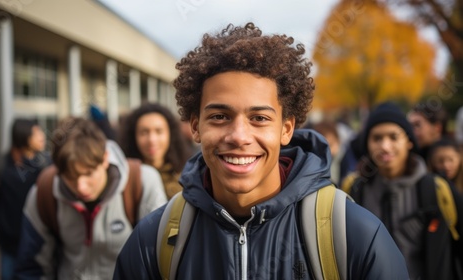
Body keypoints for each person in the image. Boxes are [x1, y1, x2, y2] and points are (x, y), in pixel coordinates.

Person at [113, 22, 408, 279]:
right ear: (195, 127)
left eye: (259, 118)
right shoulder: (153, 241)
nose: (239, 136)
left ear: (286, 129)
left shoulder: (353, 235)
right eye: (219, 116)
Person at [14, 117, 167, 279]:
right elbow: (31, 268)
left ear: (105, 159)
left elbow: (160, 263)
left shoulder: (143, 182)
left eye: (88, 173)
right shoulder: (44, 191)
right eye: (70, 177)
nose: (81, 187)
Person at [342, 102, 463, 279]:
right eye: (377, 138)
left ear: (409, 142)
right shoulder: (353, 190)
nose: (385, 146)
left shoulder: (437, 189)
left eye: (393, 137)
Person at [0, 118, 50, 280]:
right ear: (22, 135)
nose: (42, 136)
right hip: (9, 243)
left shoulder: (45, 164)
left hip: (38, 242)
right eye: (36, 133)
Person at [119, 103, 191, 199]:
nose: (152, 140)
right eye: (144, 132)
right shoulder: (125, 178)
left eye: (159, 131)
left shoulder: (189, 174)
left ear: (171, 134)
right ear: (133, 137)